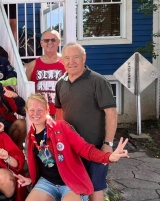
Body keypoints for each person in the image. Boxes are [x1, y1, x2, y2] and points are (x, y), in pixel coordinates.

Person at [14, 94, 129, 201]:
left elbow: (85, 149)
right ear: (27, 111)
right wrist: (29, 179)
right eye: (32, 110)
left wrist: (108, 157)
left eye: (40, 110)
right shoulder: (31, 135)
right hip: (47, 183)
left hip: (71, 183)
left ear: (47, 111)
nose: (36, 114)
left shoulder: (60, 127)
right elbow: (40, 165)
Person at [55, 42, 118, 201]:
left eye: (76, 57)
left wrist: (108, 144)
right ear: (62, 61)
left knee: (95, 189)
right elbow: (59, 113)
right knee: (74, 188)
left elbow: (111, 113)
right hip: (71, 149)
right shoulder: (60, 83)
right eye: (67, 58)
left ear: (84, 58)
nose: (71, 62)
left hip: (95, 147)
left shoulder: (97, 81)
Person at [25, 30, 65, 119]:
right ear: (41, 43)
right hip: (40, 114)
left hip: (62, 113)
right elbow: (26, 90)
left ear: (58, 42)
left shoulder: (66, 63)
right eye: (46, 40)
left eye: (53, 40)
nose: (50, 43)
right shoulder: (32, 65)